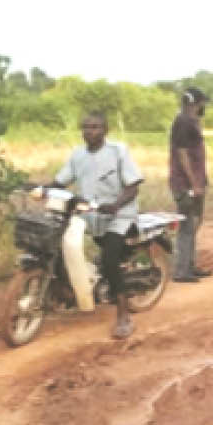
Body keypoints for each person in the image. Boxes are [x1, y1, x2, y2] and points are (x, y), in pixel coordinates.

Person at [48, 112, 144, 339]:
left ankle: (123, 315)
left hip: (119, 215)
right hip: (90, 214)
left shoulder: (118, 151)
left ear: (105, 130)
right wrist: (42, 188)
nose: (89, 131)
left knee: (110, 258)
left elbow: (133, 186)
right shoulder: (77, 155)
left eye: (95, 127)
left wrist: (116, 204)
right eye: (86, 127)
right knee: (59, 242)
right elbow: (60, 181)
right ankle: (68, 289)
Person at [169, 87, 211, 283]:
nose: (204, 107)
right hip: (186, 184)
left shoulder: (190, 121)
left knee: (195, 221)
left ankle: (189, 265)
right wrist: (194, 183)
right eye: (202, 103)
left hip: (195, 182)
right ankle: (181, 270)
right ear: (194, 103)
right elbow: (182, 154)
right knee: (187, 225)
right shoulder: (183, 122)